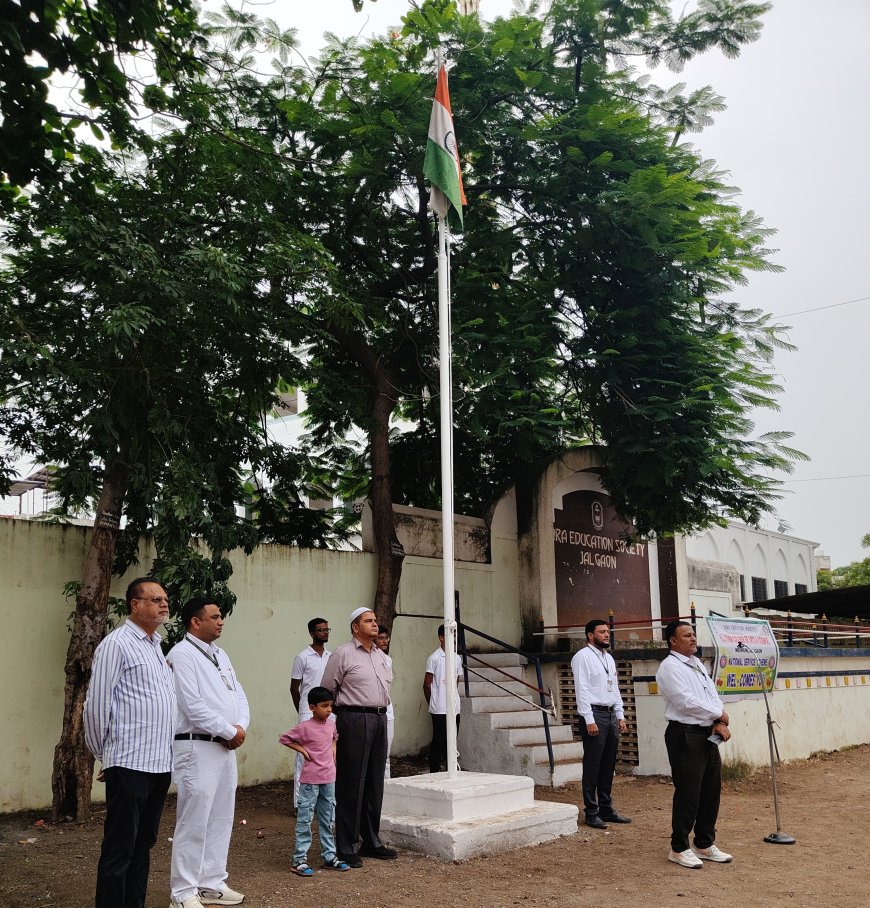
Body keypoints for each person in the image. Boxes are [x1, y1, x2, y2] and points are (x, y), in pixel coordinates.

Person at [84, 576, 177, 908]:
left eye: (165, 599)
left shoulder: (156, 645)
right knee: (120, 847)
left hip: (158, 764)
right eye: (155, 599)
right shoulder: (117, 643)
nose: (164, 604)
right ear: (135, 605)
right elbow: (96, 705)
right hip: (129, 762)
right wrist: (105, 754)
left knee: (143, 845)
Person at [165, 597, 250, 907]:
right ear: (195, 622)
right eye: (214, 616)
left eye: (221, 616)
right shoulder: (182, 654)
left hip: (224, 747)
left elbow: (238, 694)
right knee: (194, 820)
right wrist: (229, 731)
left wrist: (240, 726)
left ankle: (211, 882)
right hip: (196, 745)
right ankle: (182, 893)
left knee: (220, 817)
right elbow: (191, 705)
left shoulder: (220, 654)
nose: (221, 621)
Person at [320, 607, 395, 867]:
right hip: (353, 719)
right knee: (352, 782)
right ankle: (346, 844)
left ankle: (371, 840)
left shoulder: (381, 656)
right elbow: (326, 689)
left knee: (375, 781)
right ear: (355, 627)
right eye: (368, 621)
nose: (375, 624)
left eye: (375, 621)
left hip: (379, 719)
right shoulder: (343, 654)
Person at [656, 620, 733, 870]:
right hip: (684, 734)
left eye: (693, 634)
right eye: (686, 635)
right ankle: (679, 847)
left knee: (711, 790)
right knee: (689, 791)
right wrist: (718, 714)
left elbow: (711, 693)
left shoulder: (697, 664)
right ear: (673, 641)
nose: (693, 639)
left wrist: (718, 718)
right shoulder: (669, 667)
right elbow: (685, 703)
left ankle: (704, 843)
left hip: (706, 732)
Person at [279, 686, 349, 876]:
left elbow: (334, 737)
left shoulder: (331, 725)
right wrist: (302, 750)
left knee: (328, 819)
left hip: (329, 779)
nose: (328, 710)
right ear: (312, 707)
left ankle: (329, 856)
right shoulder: (304, 728)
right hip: (310, 781)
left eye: (330, 706)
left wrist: (333, 748)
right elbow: (285, 739)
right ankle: (299, 860)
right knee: (305, 819)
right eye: (324, 706)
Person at [570, 619, 631, 829]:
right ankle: (591, 811)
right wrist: (589, 719)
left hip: (610, 715)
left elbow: (614, 688)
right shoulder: (582, 657)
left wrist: (620, 715)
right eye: (602, 631)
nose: (607, 634)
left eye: (608, 631)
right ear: (589, 635)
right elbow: (582, 689)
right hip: (594, 715)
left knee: (608, 765)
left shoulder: (609, 659)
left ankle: (606, 809)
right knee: (593, 765)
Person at [290, 617, 332, 807]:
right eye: (321, 630)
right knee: (304, 758)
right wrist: (303, 710)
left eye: (327, 629)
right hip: (308, 712)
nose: (325, 632)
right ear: (312, 633)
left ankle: (323, 802)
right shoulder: (302, 657)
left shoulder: (331, 657)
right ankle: (300, 804)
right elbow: (294, 687)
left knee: (327, 756)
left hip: (327, 713)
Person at [423, 624, 462, 774]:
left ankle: (450, 770)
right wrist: (434, 702)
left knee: (452, 741)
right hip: (439, 708)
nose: (452, 638)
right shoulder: (434, 658)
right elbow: (427, 684)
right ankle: (434, 771)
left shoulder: (456, 658)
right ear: (441, 637)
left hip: (454, 707)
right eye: (448, 634)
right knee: (438, 741)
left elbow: (456, 680)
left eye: (454, 634)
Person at [375, 625, 395, 779]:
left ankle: (386, 789)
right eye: (380, 638)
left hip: (387, 711)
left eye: (386, 638)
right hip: (371, 711)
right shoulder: (368, 658)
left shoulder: (388, 660)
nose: (385, 641)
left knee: (386, 754)